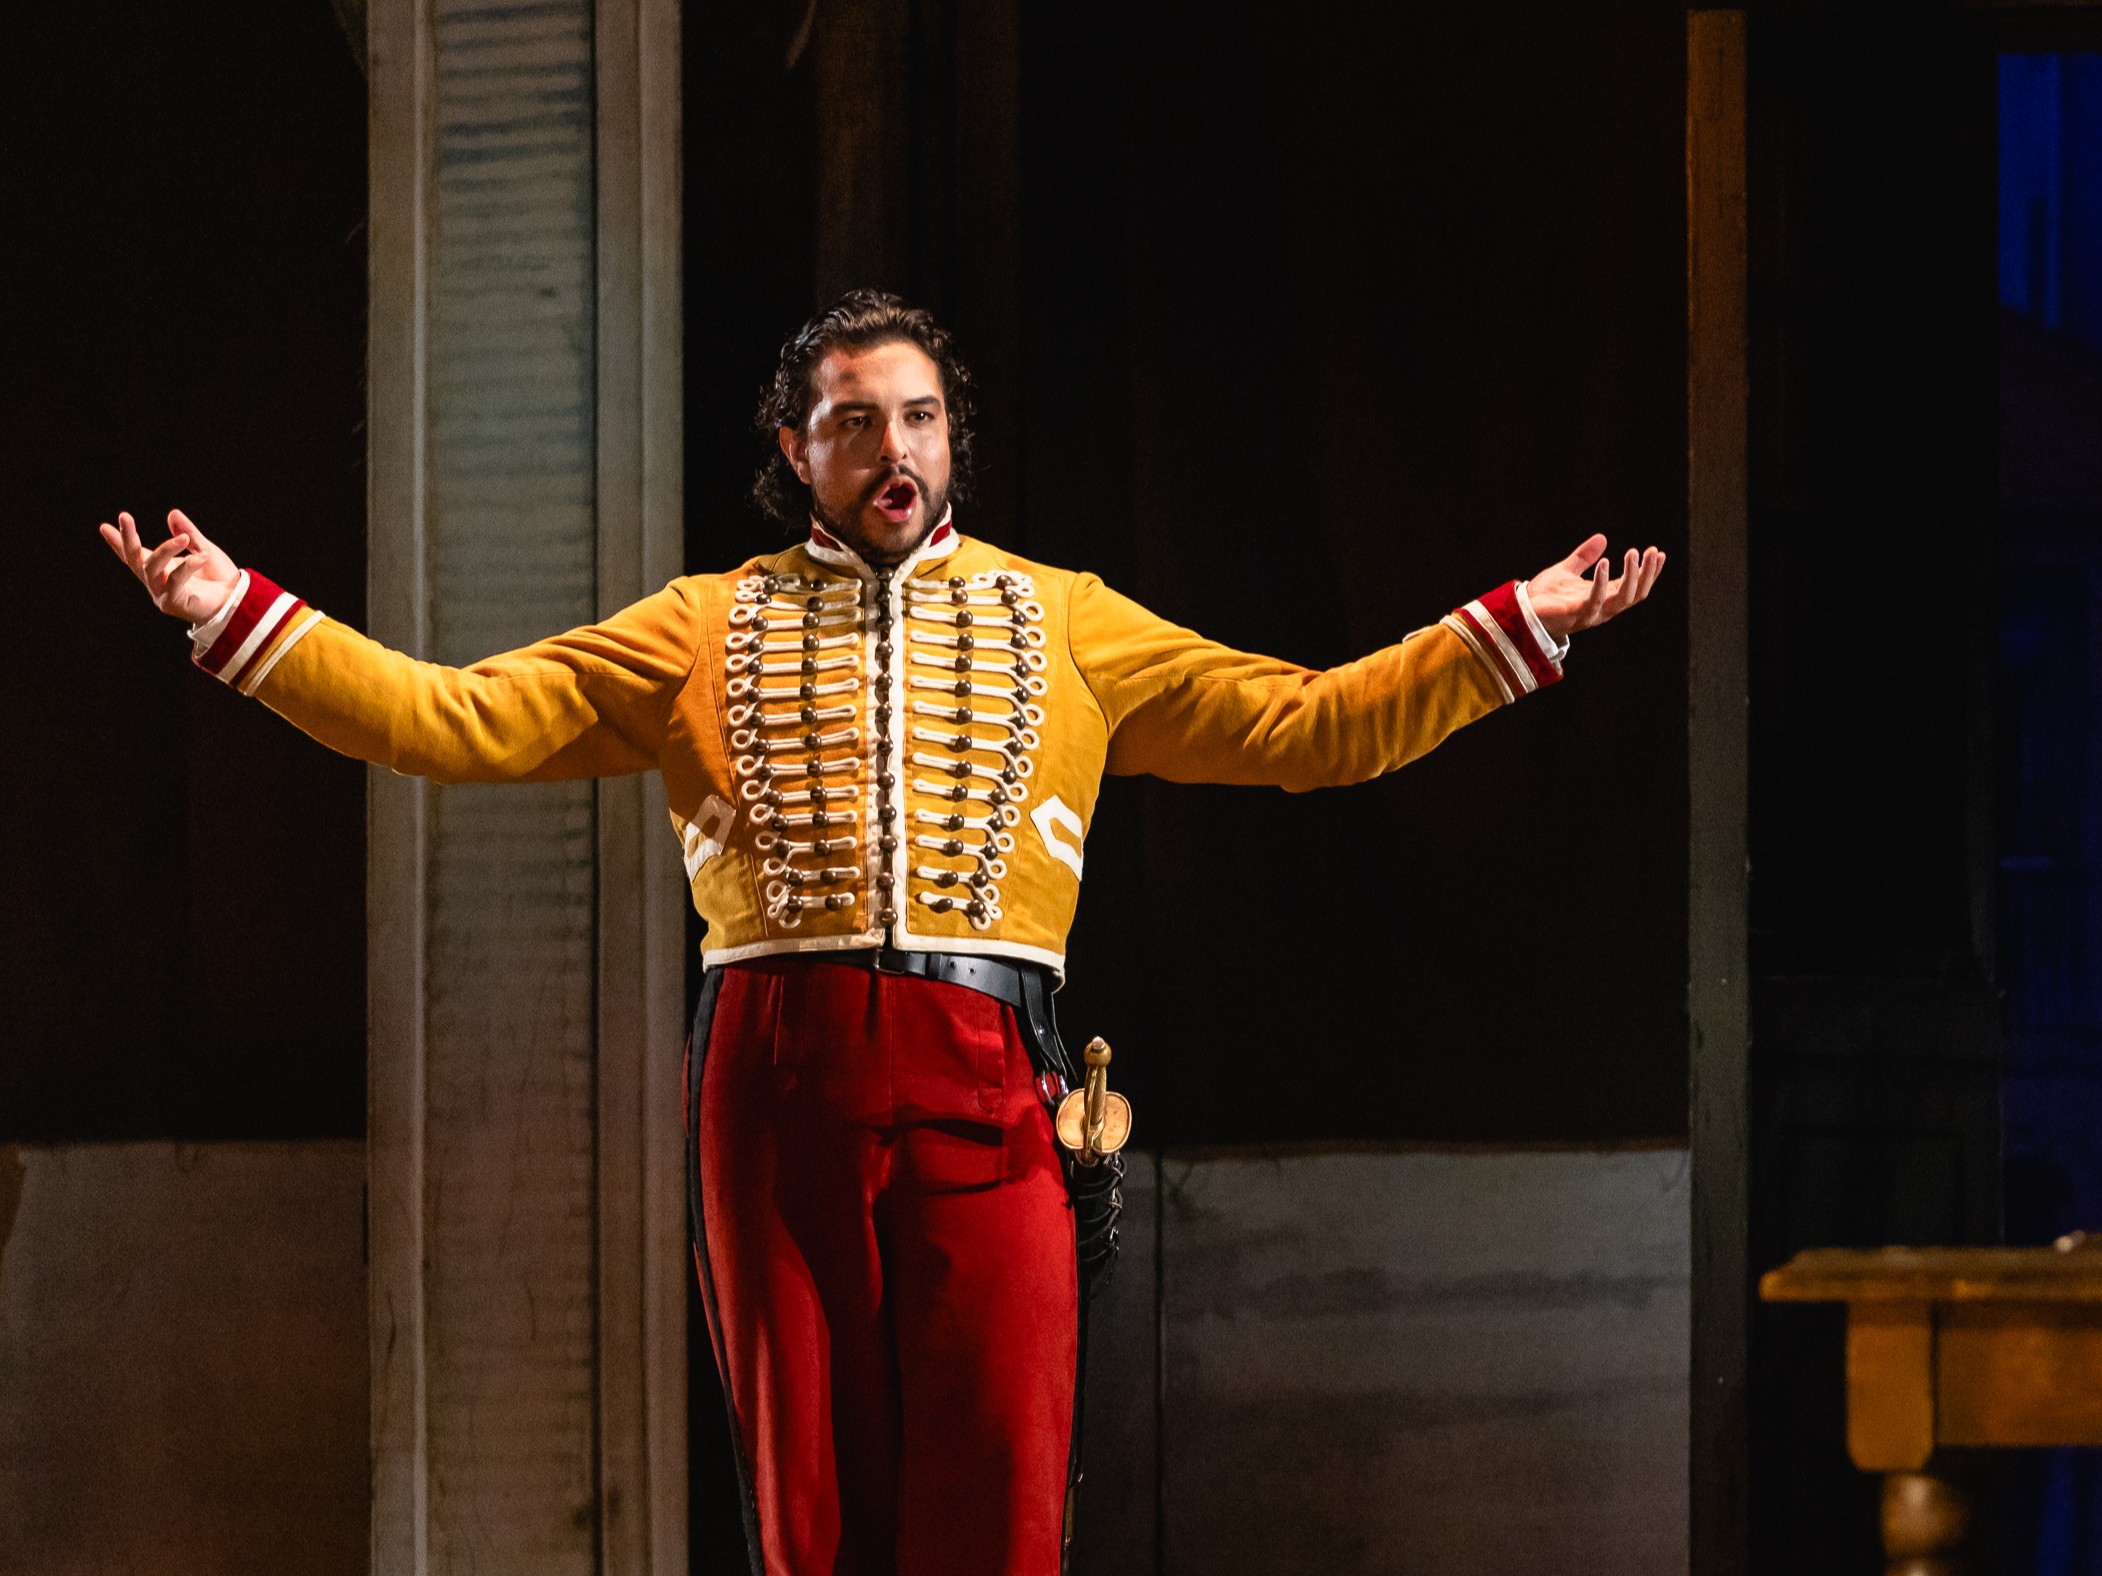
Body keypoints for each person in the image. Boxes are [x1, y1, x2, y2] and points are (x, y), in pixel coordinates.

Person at [100, 289, 1664, 1576]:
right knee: (809, 1513)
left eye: (915, 415)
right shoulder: (700, 624)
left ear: (949, 440)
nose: (890, 446)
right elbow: (456, 718)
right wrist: (233, 608)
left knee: (996, 1492)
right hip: (773, 1082)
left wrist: (1514, 625)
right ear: (799, 447)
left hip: (994, 1074)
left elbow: (1315, 722)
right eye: (853, 419)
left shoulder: (1066, 619)